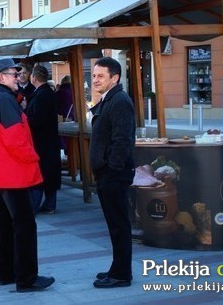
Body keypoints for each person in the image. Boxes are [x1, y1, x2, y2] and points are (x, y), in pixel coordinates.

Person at [0, 58, 54, 293]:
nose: (19, 77)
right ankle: (26, 278)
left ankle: (5, 273)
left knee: (4, 223)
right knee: (24, 225)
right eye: (15, 74)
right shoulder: (4, 100)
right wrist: (34, 158)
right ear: (2, 77)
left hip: (2, 174)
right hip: (13, 173)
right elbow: (15, 139)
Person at [89, 57, 135, 288]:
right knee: (114, 224)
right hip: (108, 173)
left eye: (100, 76)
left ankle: (121, 274)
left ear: (114, 78)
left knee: (119, 225)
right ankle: (117, 268)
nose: (95, 80)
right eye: (94, 75)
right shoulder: (110, 99)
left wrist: (111, 167)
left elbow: (122, 139)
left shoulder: (120, 101)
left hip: (114, 175)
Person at [25, 65, 61, 214]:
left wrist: (26, 117)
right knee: (49, 174)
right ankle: (49, 204)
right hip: (48, 141)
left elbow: (37, 119)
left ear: (34, 77)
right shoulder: (46, 92)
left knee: (41, 173)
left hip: (42, 141)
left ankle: (35, 206)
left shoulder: (41, 95)